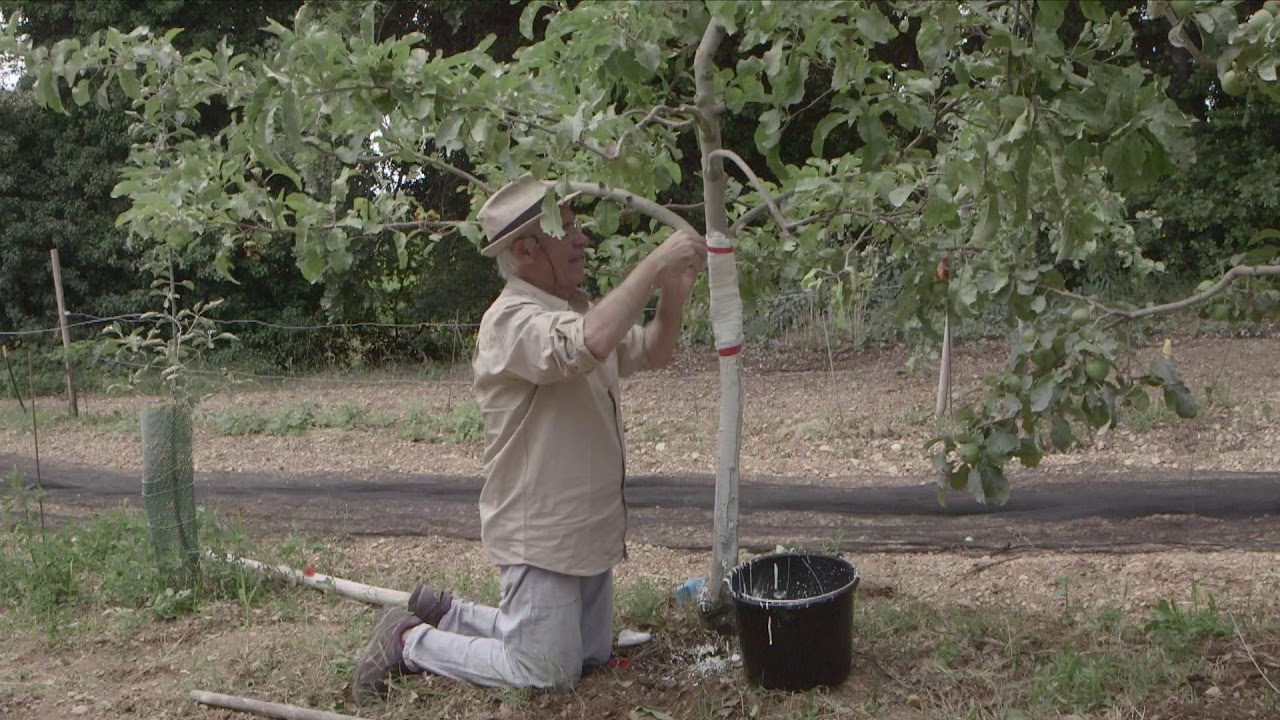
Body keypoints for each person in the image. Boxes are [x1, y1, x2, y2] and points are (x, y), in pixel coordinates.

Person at [351, 175, 707, 703]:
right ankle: (409, 640)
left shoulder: (575, 310)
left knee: (590, 655)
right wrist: (653, 264)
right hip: (539, 535)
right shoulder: (510, 322)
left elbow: (654, 350)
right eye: (567, 228)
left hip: (583, 532)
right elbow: (588, 344)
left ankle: (449, 613)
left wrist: (674, 290)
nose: (583, 238)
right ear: (526, 248)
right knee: (545, 668)